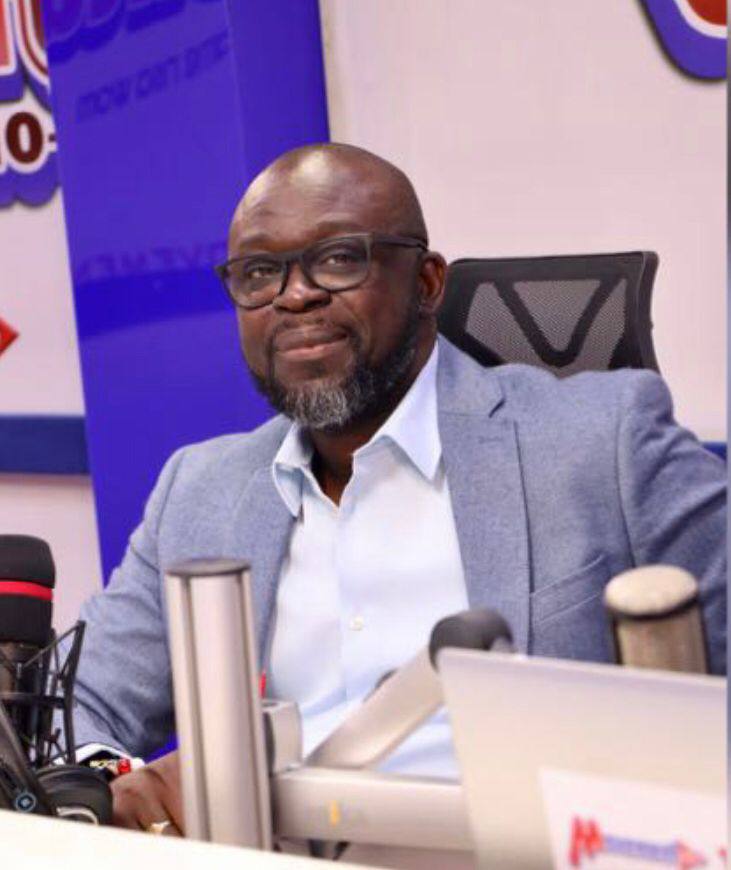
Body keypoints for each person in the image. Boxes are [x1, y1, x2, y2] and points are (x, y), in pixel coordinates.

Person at [68, 143, 726, 834]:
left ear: (427, 283)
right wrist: (115, 780)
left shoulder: (602, 442)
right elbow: (82, 706)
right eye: (259, 272)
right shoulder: (199, 489)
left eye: (338, 259)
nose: (295, 295)